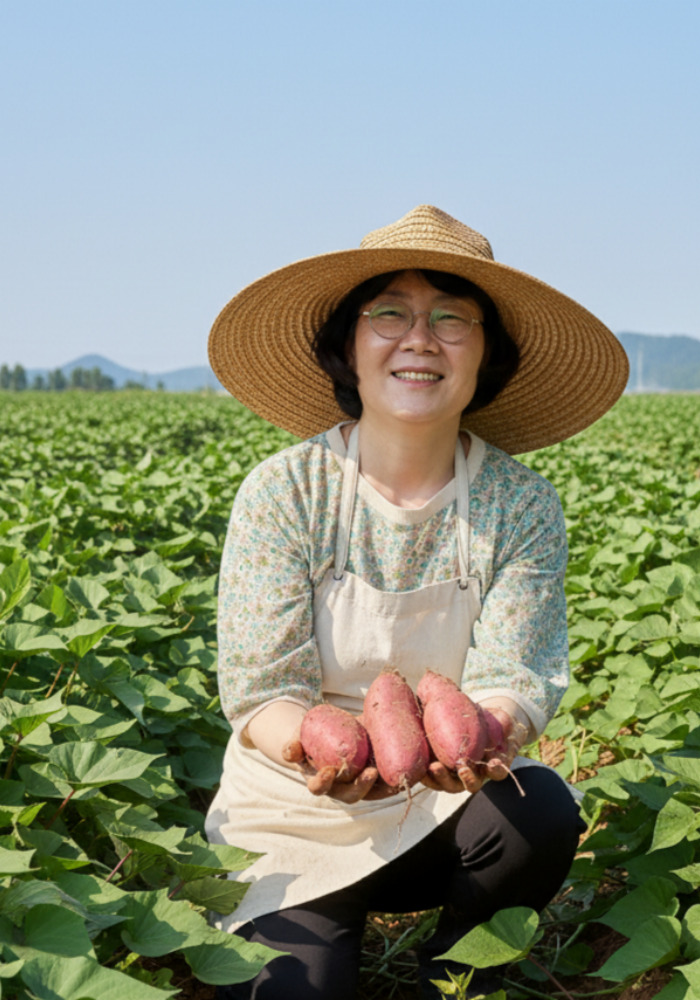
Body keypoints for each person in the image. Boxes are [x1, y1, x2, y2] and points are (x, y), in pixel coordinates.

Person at [204, 205, 628, 999]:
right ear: (348, 346)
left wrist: (484, 734)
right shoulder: (285, 491)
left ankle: (456, 976)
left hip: (444, 801)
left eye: (452, 319)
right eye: (389, 314)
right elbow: (263, 691)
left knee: (538, 810)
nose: (420, 340)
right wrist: (323, 752)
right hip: (292, 814)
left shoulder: (518, 502)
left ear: (487, 355)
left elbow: (515, 674)